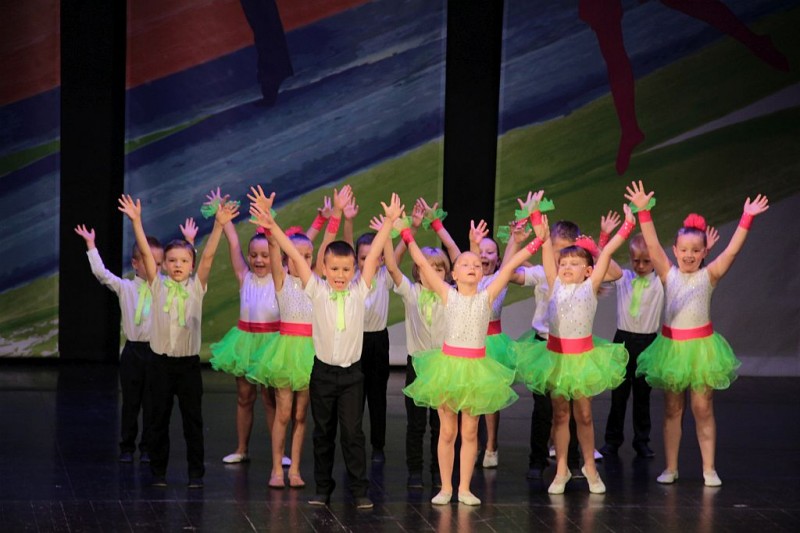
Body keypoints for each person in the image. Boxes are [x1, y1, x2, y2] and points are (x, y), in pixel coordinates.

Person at [249, 188, 401, 510]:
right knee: (323, 433)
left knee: (353, 434)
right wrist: (271, 224)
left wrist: (388, 223)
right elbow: (293, 254)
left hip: (352, 375)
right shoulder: (316, 290)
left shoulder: (359, 291)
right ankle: (322, 489)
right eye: (334, 269)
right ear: (324, 268)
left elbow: (374, 255)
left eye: (346, 269)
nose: (340, 275)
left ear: (354, 271)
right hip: (322, 373)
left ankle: (359, 490)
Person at [400, 196, 544, 506]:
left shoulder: (487, 296)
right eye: (464, 264)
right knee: (447, 431)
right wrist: (405, 232)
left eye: (476, 265)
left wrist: (536, 239)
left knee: (469, 431)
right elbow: (422, 262)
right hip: (449, 367)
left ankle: (464, 488)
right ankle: (445, 488)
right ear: (452, 274)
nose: (472, 267)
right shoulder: (447, 294)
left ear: (481, 274)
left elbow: (511, 265)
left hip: (477, 369)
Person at [625, 180, 769, 487]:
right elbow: (652, 245)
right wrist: (643, 212)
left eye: (695, 250)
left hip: (702, 349)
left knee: (702, 408)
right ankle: (671, 467)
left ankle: (709, 468)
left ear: (704, 252)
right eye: (683, 250)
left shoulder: (709, 275)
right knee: (672, 408)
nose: (689, 255)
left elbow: (732, 251)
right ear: (675, 250)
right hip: (672, 349)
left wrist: (746, 218)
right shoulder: (668, 273)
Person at [118, 194, 238, 488]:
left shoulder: (196, 288)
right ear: (164, 265)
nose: (177, 265)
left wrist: (219, 226)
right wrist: (136, 221)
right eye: (171, 261)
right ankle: (158, 472)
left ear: (191, 264)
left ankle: (195, 474)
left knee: (192, 422)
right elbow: (147, 255)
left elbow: (208, 257)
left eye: (184, 261)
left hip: (187, 367)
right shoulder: (157, 286)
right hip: (159, 365)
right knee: (157, 420)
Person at [515, 199, 634, 494]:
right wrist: (536, 219)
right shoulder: (553, 284)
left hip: (581, 359)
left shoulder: (590, 288)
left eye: (574, 263)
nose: (566, 267)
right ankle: (561, 469)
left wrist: (629, 225)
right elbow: (546, 249)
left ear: (588, 270)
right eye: (563, 263)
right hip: (556, 358)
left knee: (584, 415)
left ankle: (589, 467)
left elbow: (607, 253)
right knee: (560, 415)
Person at [246, 185, 348, 489]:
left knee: (302, 415)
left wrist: (337, 214)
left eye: (308, 256)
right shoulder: (281, 281)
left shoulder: (317, 281)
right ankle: (277, 468)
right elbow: (275, 247)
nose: (302, 260)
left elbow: (328, 241)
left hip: (310, 352)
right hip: (286, 351)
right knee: (283, 412)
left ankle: (295, 470)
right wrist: (268, 222)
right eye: (297, 256)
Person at [74, 224, 165, 463]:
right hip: (133, 352)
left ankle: (148, 447)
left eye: (158, 263)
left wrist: (190, 242)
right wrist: (91, 245)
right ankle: (127, 447)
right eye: (149, 262)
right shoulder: (126, 288)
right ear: (135, 263)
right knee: (131, 402)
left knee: (152, 403)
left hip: (157, 351)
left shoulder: (165, 288)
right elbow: (102, 274)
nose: (154, 268)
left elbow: (186, 279)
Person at [206, 188, 281, 466]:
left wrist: (268, 219)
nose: (259, 260)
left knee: (271, 400)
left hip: (271, 344)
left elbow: (277, 244)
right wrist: (224, 220)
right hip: (245, 342)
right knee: (244, 397)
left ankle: (279, 454)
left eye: (264, 255)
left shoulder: (279, 278)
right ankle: (241, 448)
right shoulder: (244, 276)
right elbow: (234, 244)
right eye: (254, 255)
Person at [379, 201, 447, 489]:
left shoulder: (450, 294)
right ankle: (415, 471)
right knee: (416, 424)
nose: (432, 273)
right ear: (418, 272)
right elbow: (391, 267)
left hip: (444, 366)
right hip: (417, 365)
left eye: (439, 269)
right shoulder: (411, 292)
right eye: (426, 268)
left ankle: (439, 471)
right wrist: (390, 232)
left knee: (441, 425)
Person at [467, 219, 527, 469]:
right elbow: (470, 258)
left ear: (498, 258)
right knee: (472, 396)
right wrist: (473, 243)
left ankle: (492, 445)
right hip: (471, 342)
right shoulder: (470, 278)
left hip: (493, 343)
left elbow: (511, 260)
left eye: (490, 252)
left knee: (491, 399)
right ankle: (473, 443)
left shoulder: (499, 279)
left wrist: (515, 238)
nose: (484, 256)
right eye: (481, 252)